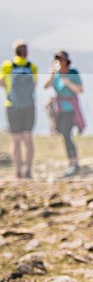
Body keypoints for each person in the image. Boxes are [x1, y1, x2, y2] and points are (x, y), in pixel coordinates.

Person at [44, 51, 84, 177]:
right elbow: (46, 86)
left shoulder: (73, 73)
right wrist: (52, 74)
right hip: (59, 109)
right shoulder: (55, 74)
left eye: (61, 59)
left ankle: (74, 162)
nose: (59, 61)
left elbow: (80, 89)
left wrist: (68, 83)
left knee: (67, 134)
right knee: (63, 133)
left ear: (66, 60)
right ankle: (71, 161)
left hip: (70, 109)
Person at [1, 40, 37, 180]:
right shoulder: (32, 67)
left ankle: (17, 171)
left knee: (15, 139)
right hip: (29, 105)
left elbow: (1, 82)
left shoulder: (7, 66)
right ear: (26, 52)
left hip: (12, 105)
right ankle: (28, 170)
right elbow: (34, 85)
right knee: (28, 138)